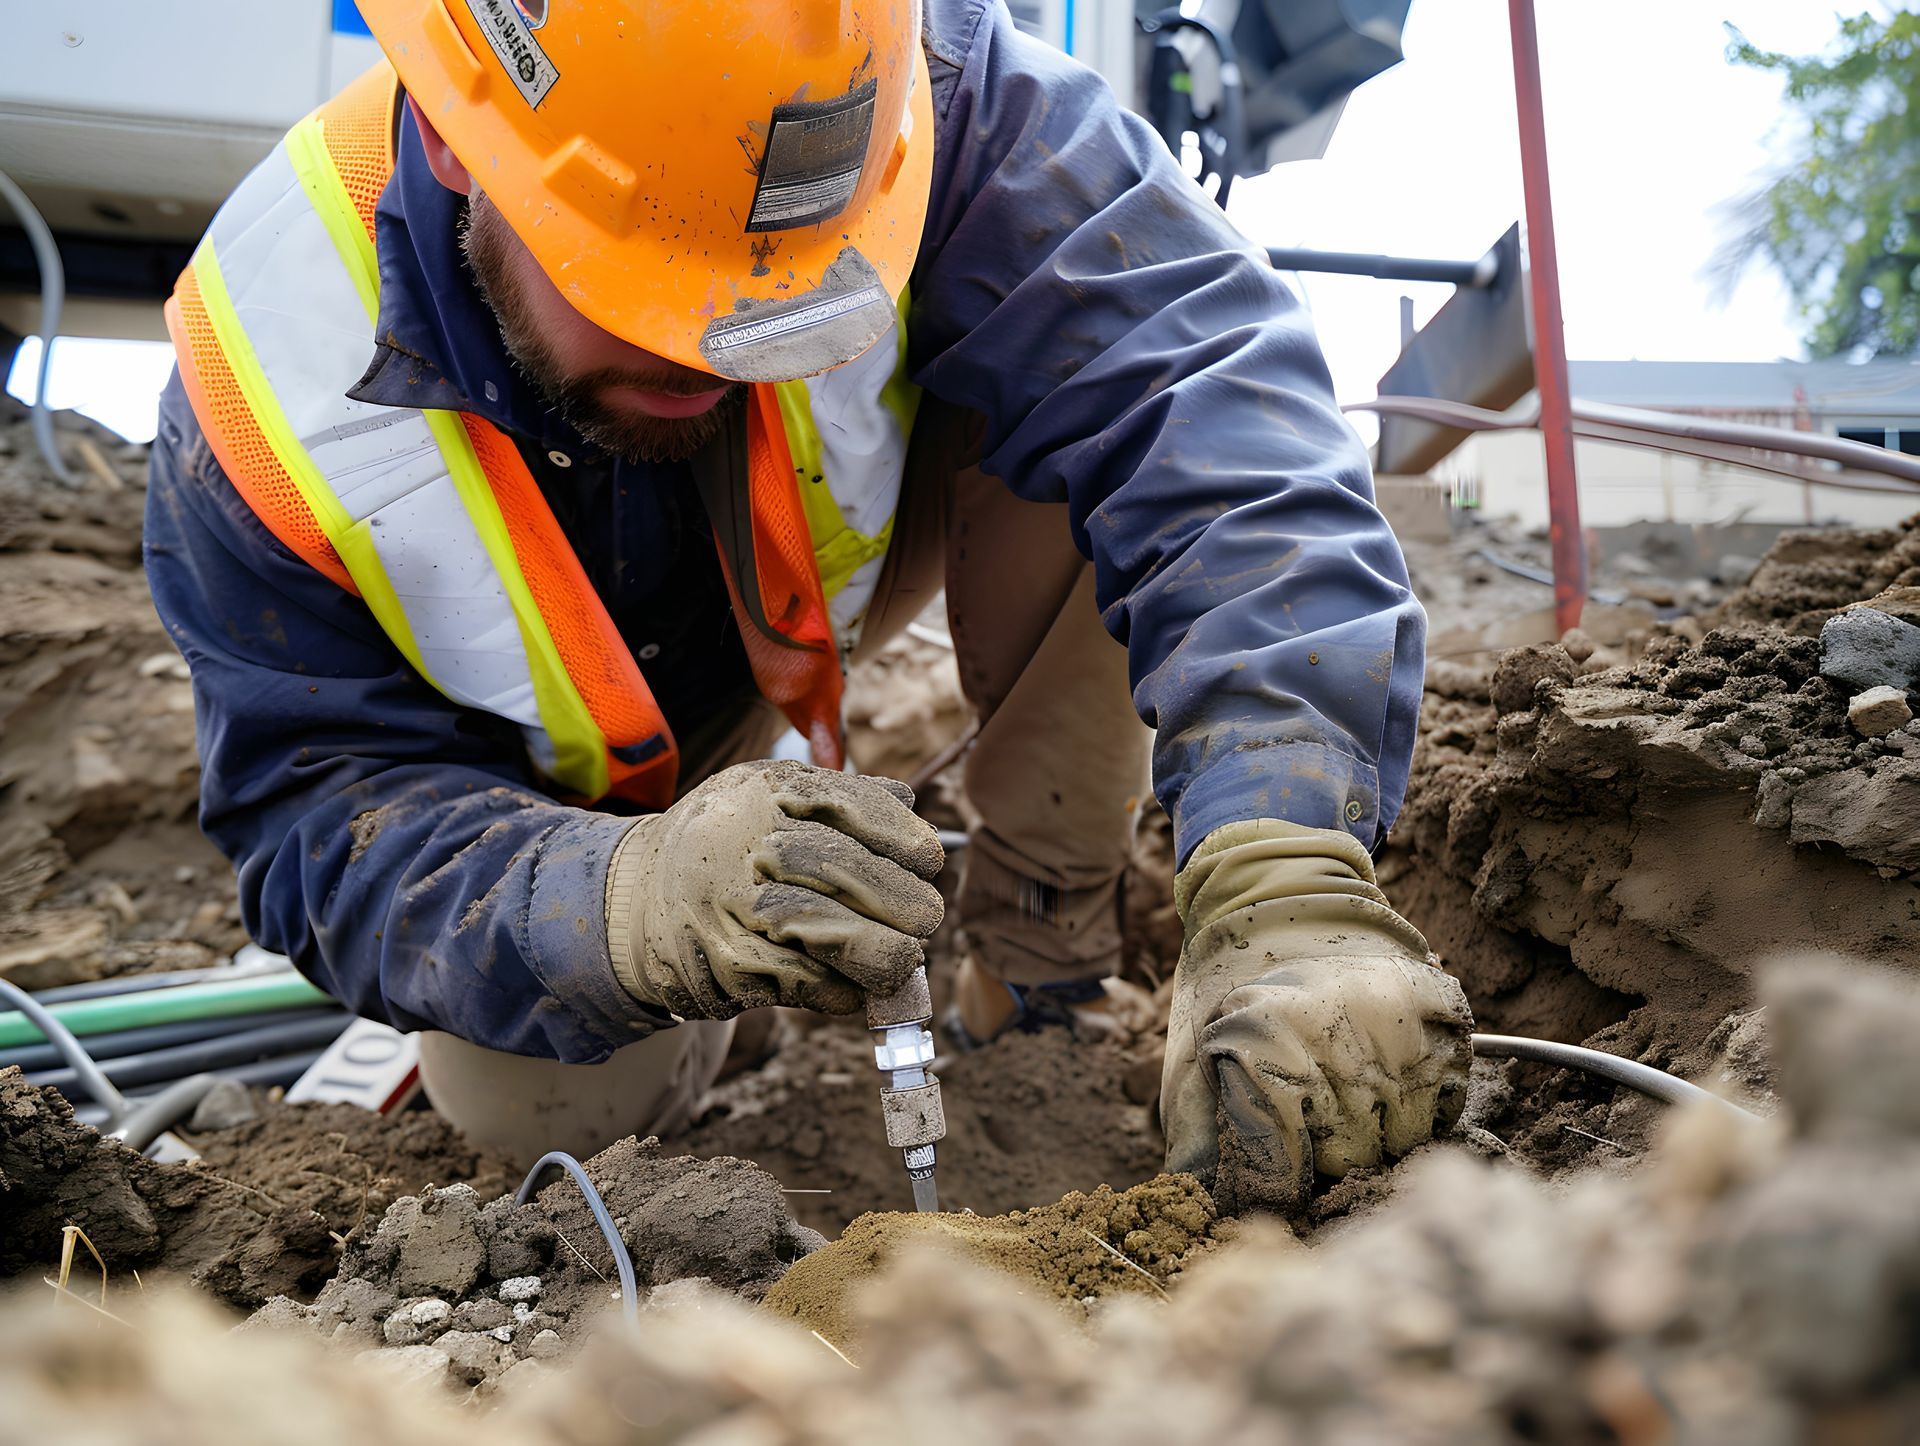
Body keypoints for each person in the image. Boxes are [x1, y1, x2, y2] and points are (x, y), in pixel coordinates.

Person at [145, 0, 1471, 1215]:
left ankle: (1042, 964)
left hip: (815, 595)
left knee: (1107, 404)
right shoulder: (263, 378)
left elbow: (1204, 405)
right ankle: (696, 990)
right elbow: (316, 805)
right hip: (545, 792)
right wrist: (623, 905)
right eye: (644, 280)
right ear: (453, 145)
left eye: (785, 282)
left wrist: (1289, 865)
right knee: (540, 1108)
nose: (717, 343)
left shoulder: (939, 99)